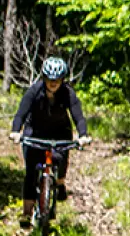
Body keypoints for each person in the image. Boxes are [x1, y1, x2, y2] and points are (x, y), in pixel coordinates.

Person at [7, 56, 91, 225]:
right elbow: (21, 113)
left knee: (60, 158)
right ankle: (27, 212)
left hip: (60, 131)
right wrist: (16, 131)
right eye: (50, 80)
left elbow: (78, 117)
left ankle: (59, 182)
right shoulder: (34, 91)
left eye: (57, 80)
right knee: (31, 172)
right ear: (44, 78)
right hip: (35, 131)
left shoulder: (68, 94)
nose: (53, 83)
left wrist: (83, 135)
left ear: (62, 80)